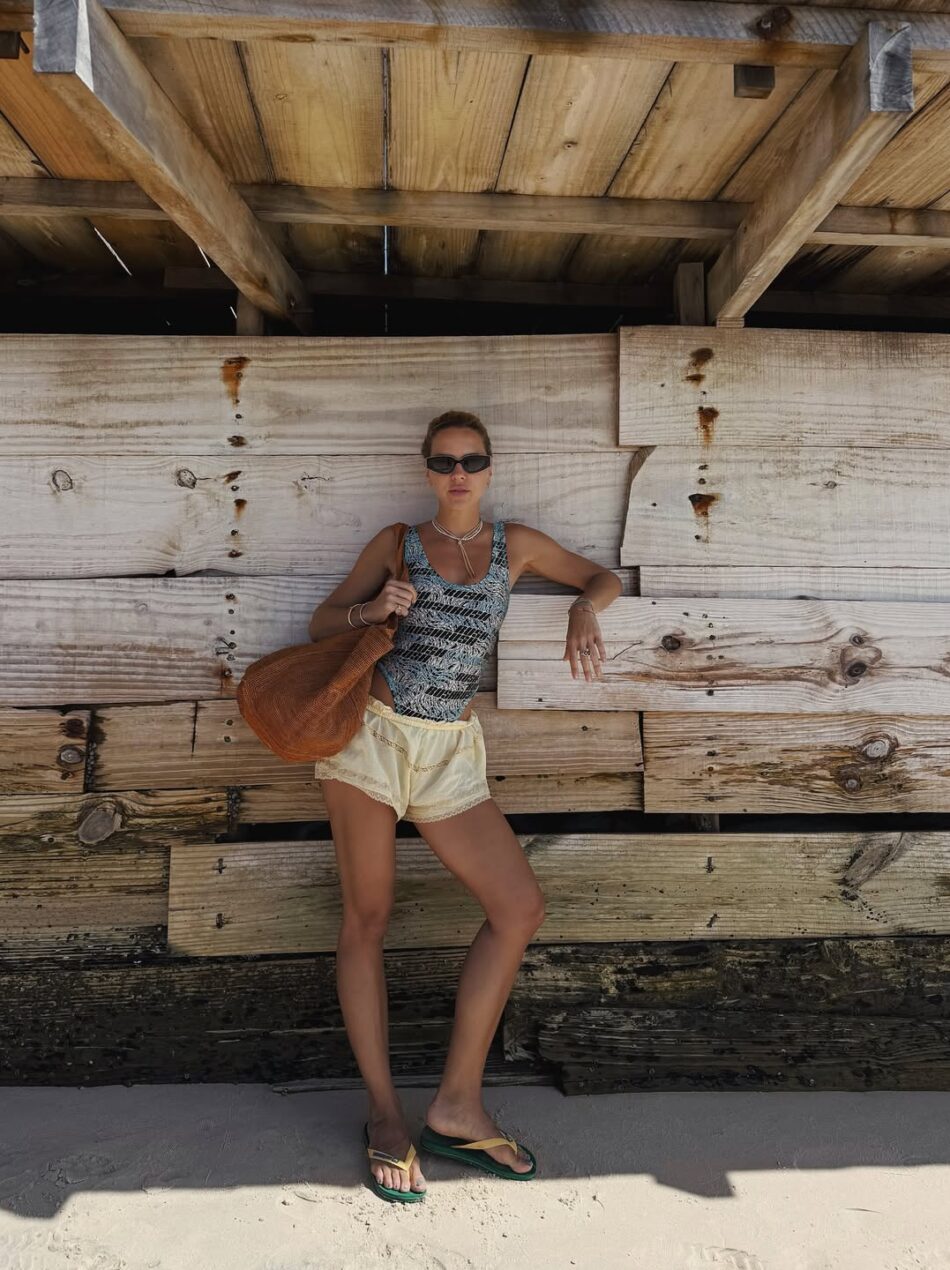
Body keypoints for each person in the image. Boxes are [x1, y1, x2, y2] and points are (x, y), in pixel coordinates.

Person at [307, 409, 622, 1202]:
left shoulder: (516, 547)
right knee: (367, 918)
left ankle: (455, 1105)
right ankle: (385, 1116)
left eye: (471, 461)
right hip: (373, 738)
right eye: (445, 461)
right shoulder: (397, 543)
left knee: (518, 908)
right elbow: (321, 623)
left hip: (449, 750)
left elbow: (602, 577)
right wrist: (371, 609)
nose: (458, 474)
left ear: (488, 469)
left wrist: (584, 607)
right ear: (427, 469)